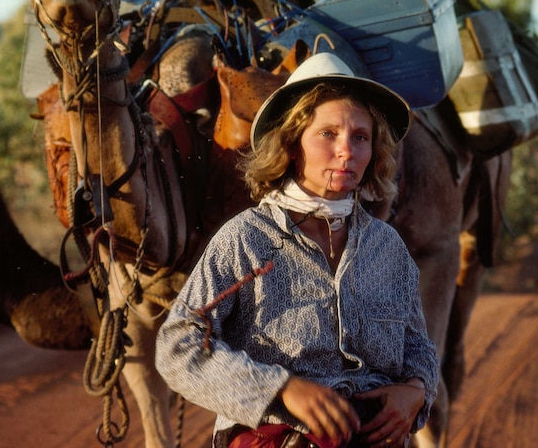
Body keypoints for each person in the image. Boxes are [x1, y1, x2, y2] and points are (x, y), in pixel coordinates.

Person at [155, 52, 438, 448]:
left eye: (360, 136)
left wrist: (416, 391)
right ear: (290, 145)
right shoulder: (246, 240)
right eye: (328, 134)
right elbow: (177, 347)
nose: (347, 150)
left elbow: (417, 345)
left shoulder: (386, 246)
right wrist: (281, 389)